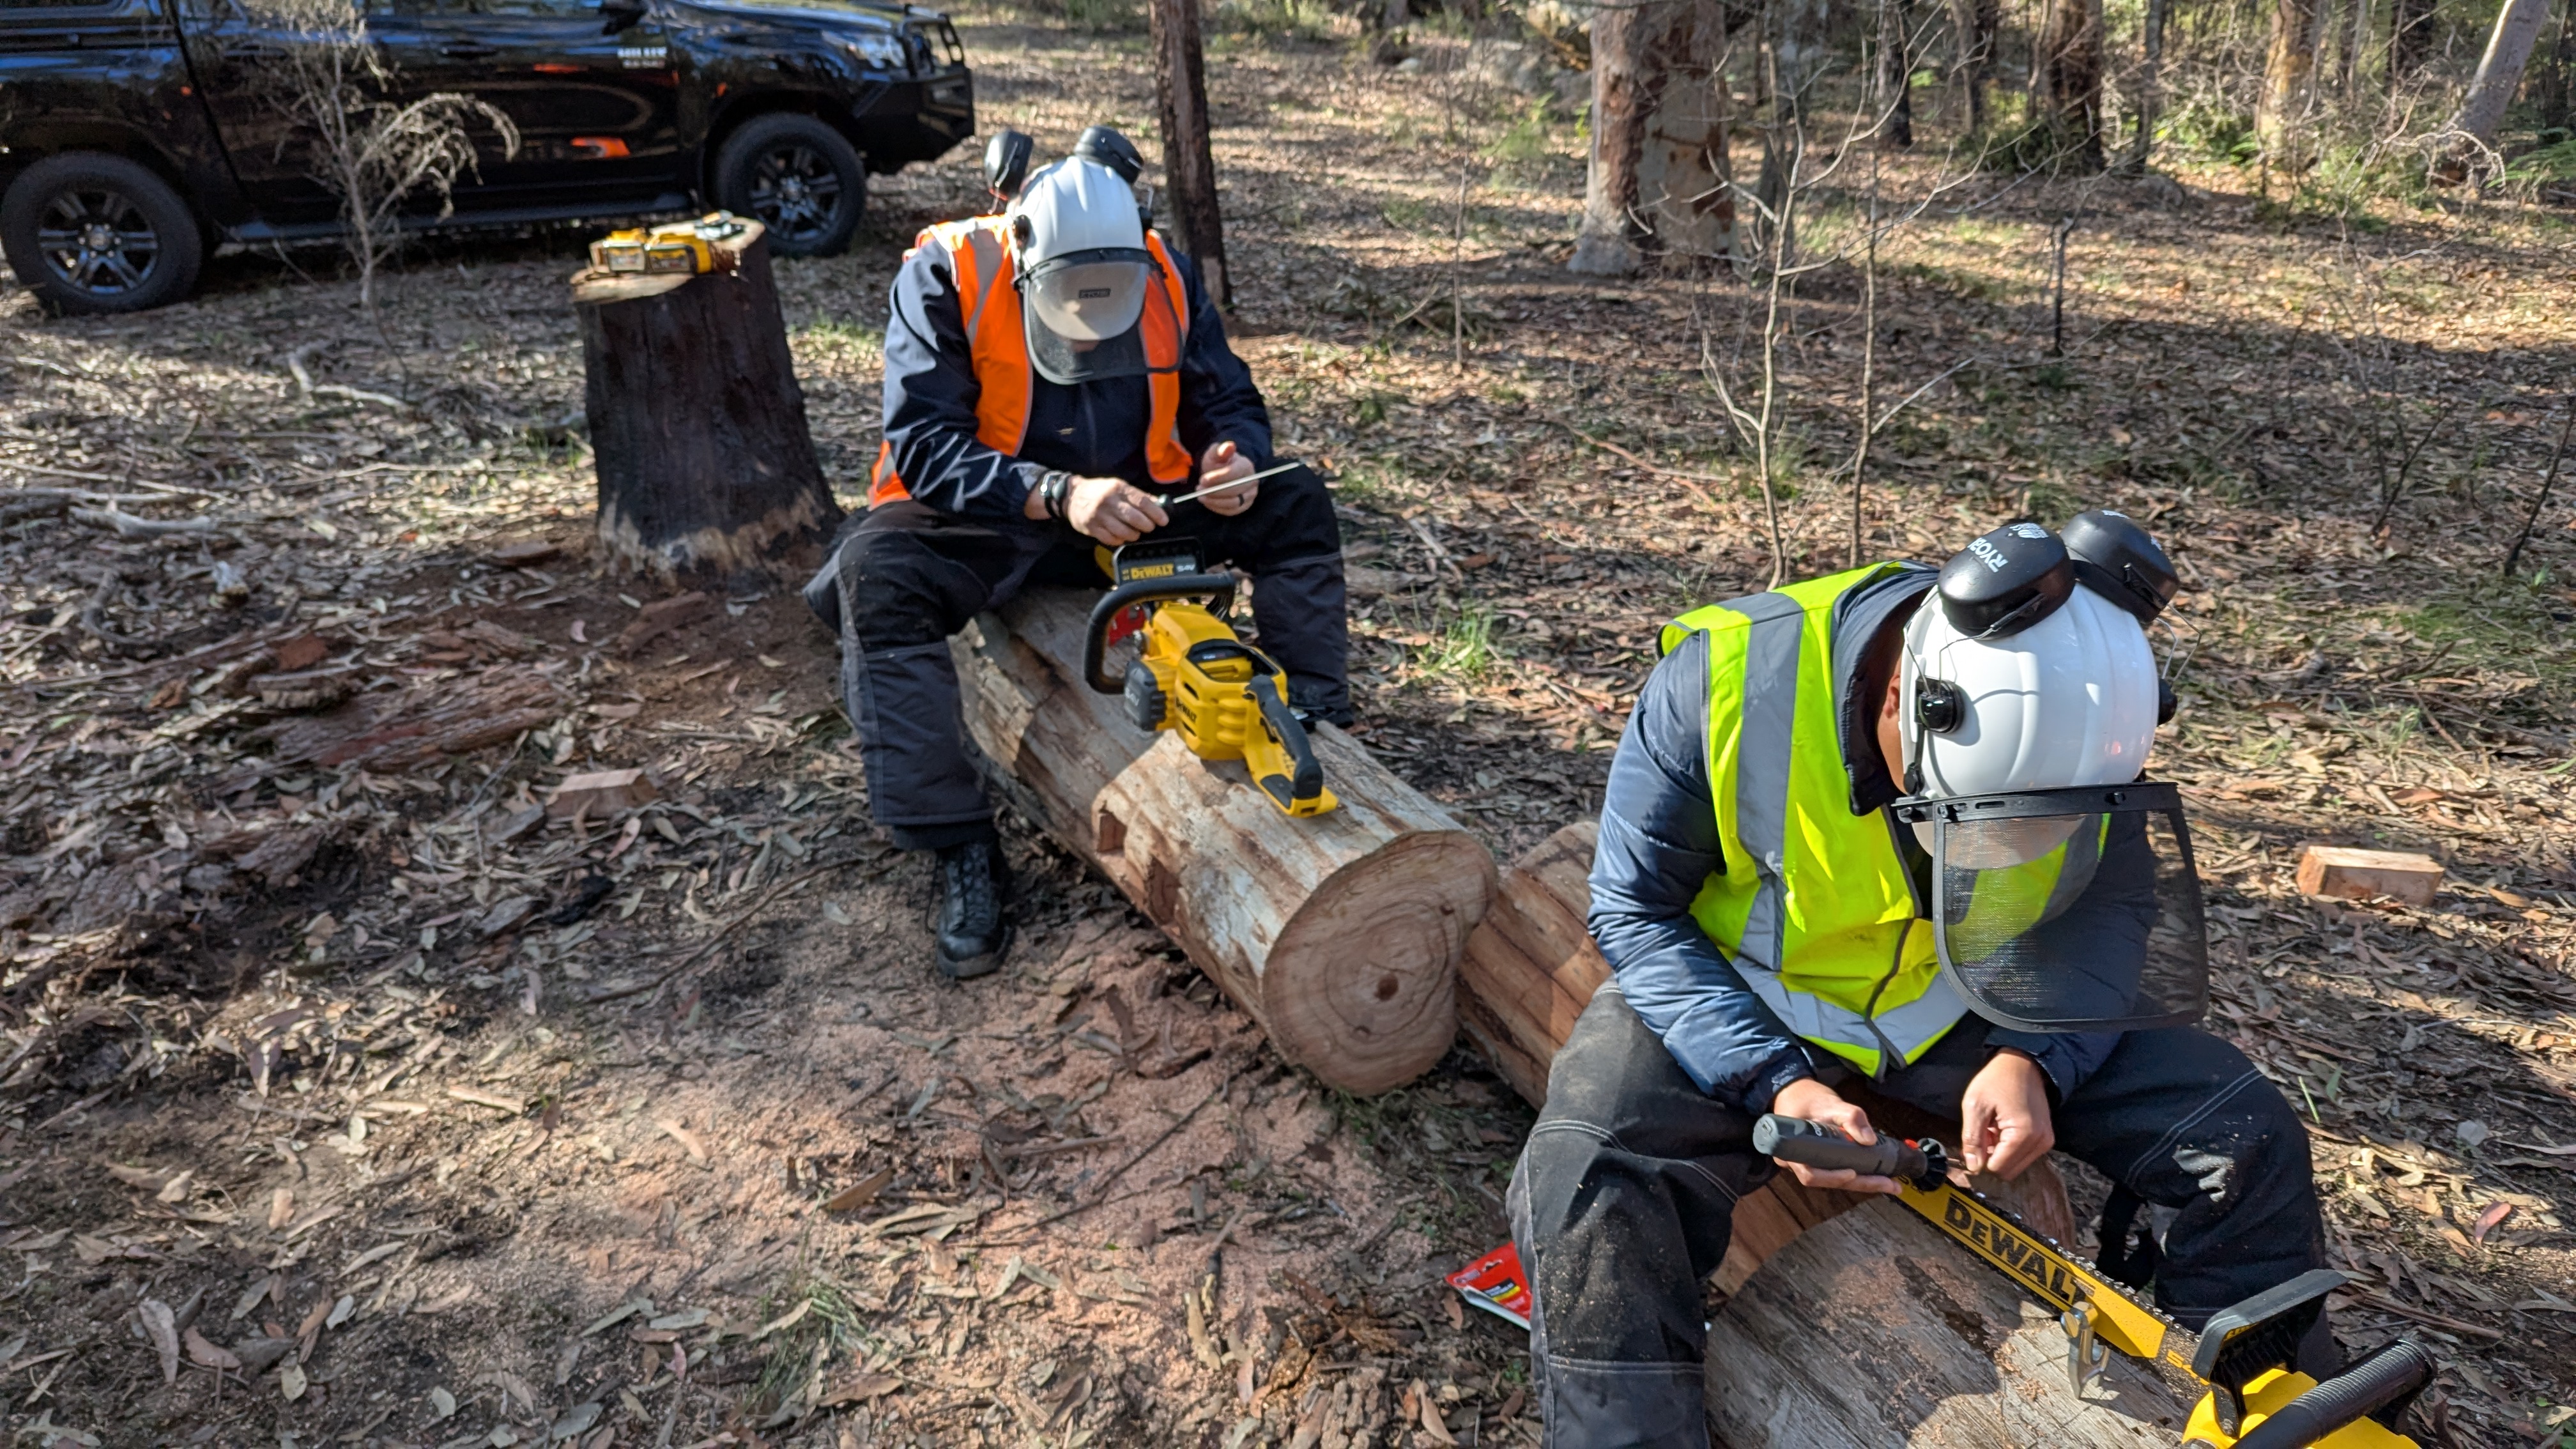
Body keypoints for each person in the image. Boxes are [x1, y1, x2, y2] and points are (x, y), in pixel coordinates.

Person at [1507, 514, 2332, 1446]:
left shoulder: (2085, 714)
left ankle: (2275, 1410)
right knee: (1589, 1170)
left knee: (2243, 1133)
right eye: (1977, 824)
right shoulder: (1728, 678)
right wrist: (1775, 1079)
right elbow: (1636, 910)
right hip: (1749, 993)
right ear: (1903, 695)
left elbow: (2111, 912)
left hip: (1975, 1001)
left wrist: (2037, 1055)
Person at [804, 127, 1348, 980]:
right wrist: (1056, 494)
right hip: (1003, 510)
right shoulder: (947, 272)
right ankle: (959, 846)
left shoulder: (1163, 267)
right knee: (880, 572)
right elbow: (924, 445)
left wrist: (1232, 457)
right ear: (1022, 249)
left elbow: (1226, 395)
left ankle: (1318, 713)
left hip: (1142, 502)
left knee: (1295, 498)